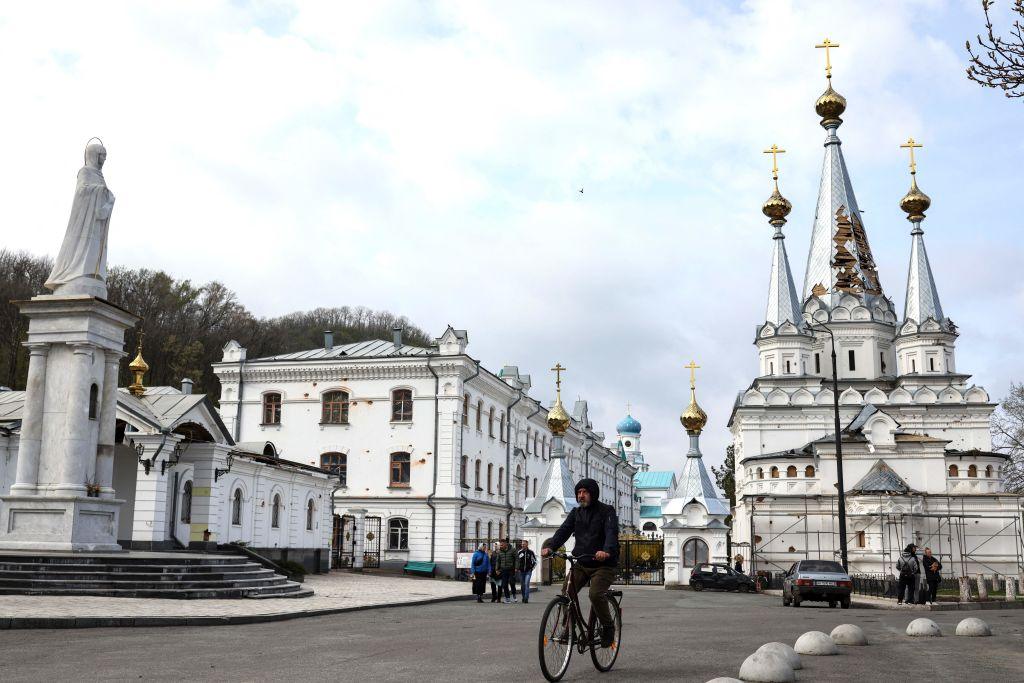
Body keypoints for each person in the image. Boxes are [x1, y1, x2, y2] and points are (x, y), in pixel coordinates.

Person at [541, 478, 619, 648]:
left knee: (595, 594)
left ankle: (608, 627)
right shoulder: (576, 513)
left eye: (584, 492)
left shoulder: (607, 511)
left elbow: (611, 532)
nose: (581, 496)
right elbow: (563, 531)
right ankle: (569, 629)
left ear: (593, 494)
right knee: (566, 592)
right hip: (583, 562)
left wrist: (606, 551)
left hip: (604, 564)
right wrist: (551, 546)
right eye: (579, 493)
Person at [494, 538, 518, 604]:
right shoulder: (500, 552)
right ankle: (507, 599)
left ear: (505, 544)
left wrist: (516, 567)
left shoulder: (513, 550)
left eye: (501, 545)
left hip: (511, 569)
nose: (500, 546)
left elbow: (516, 559)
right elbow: (498, 561)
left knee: (512, 582)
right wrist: (497, 569)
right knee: (504, 584)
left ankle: (514, 595)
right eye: (500, 545)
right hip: (503, 569)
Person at [517, 539, 538, 604]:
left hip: (528, 571)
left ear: (527, 545)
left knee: (526, 584)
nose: (522, 545)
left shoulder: (531, 552)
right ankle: (523, 597)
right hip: (521, 571)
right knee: (522, 585)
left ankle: (526, 598)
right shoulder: (519, 552)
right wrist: (517, 568)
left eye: (524, 544)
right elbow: (517, 561)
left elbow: (535, 561)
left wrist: (531, 568)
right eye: (522, 544)